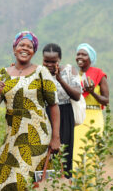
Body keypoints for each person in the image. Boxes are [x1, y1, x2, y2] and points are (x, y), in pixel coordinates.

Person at [0, 31, 60, 190]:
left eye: (30, 46)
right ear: (14, 48)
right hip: (12, 138)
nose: (25, 48)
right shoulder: (2, 74)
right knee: (9, 182)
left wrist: (56, 137)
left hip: (38, 138)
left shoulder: (42, 72)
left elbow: (53, 104)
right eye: (22, 45)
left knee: (36, 183)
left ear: (34, 52)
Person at [42, 43, 82, 178]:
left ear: (60, 60)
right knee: (45, 156)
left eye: (54, 62)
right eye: (46, 61)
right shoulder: (38, 72)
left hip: (65, 115)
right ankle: (45, 184)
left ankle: (65, 183)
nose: (49, 65)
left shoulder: (70, 71)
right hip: (44, 115)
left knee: (64, 153)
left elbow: (77, 95)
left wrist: (60, 80)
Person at [73, 43, 109, 169]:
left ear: (91, 58)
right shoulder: (74, 76)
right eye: (78, 54)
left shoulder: (99, 75)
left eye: (84, 54)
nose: (80, 57)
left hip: (94, 118)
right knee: (76, 154)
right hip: (78, 119)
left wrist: (92, 92)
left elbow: (106, 100)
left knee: (91, 154)